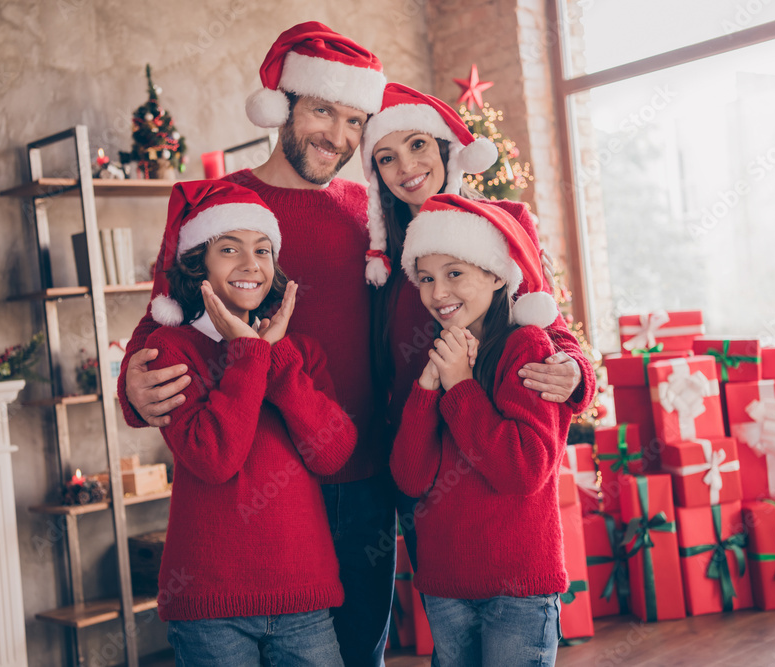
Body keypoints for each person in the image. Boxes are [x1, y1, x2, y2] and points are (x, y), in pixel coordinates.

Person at [120, 23, 401, 666]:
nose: (338, 136)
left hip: (358, 476)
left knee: (359, 654)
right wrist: (131, 385)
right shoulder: (215, 205)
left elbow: (475, 282)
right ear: (283, 103)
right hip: (251, 483)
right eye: (324, 111)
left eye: (355, 120)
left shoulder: (374, 211)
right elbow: (159, 319)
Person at [360, 83, 594, 567]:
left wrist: (574, 370)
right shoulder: (379, 259)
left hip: (498, 461)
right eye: (386, 157)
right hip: (421, 463)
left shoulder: (506, 222)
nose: (406, 167)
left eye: (418, 144)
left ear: (446, 146)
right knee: (449, 616)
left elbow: (551, 326)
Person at [145, 180, 357, 666]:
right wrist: (247, 356)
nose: (250, 264)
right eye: (228, 249)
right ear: (197, 263)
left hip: (305, 598)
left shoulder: (297, 352)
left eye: (262, 250)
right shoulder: (171, 352)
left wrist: (273, 356)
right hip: (210, 606)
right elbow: (215, 458)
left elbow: (333, 452)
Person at [391, 193, 570, 667]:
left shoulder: (526, 347)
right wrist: (428, 389)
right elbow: (410, 478)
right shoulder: (440, 354)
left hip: (517, 589)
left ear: (494, 274)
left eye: (455, 274)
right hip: (446, 585)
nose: (438, 293)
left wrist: (462, 387)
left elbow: (523, 469)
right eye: (426, 279)